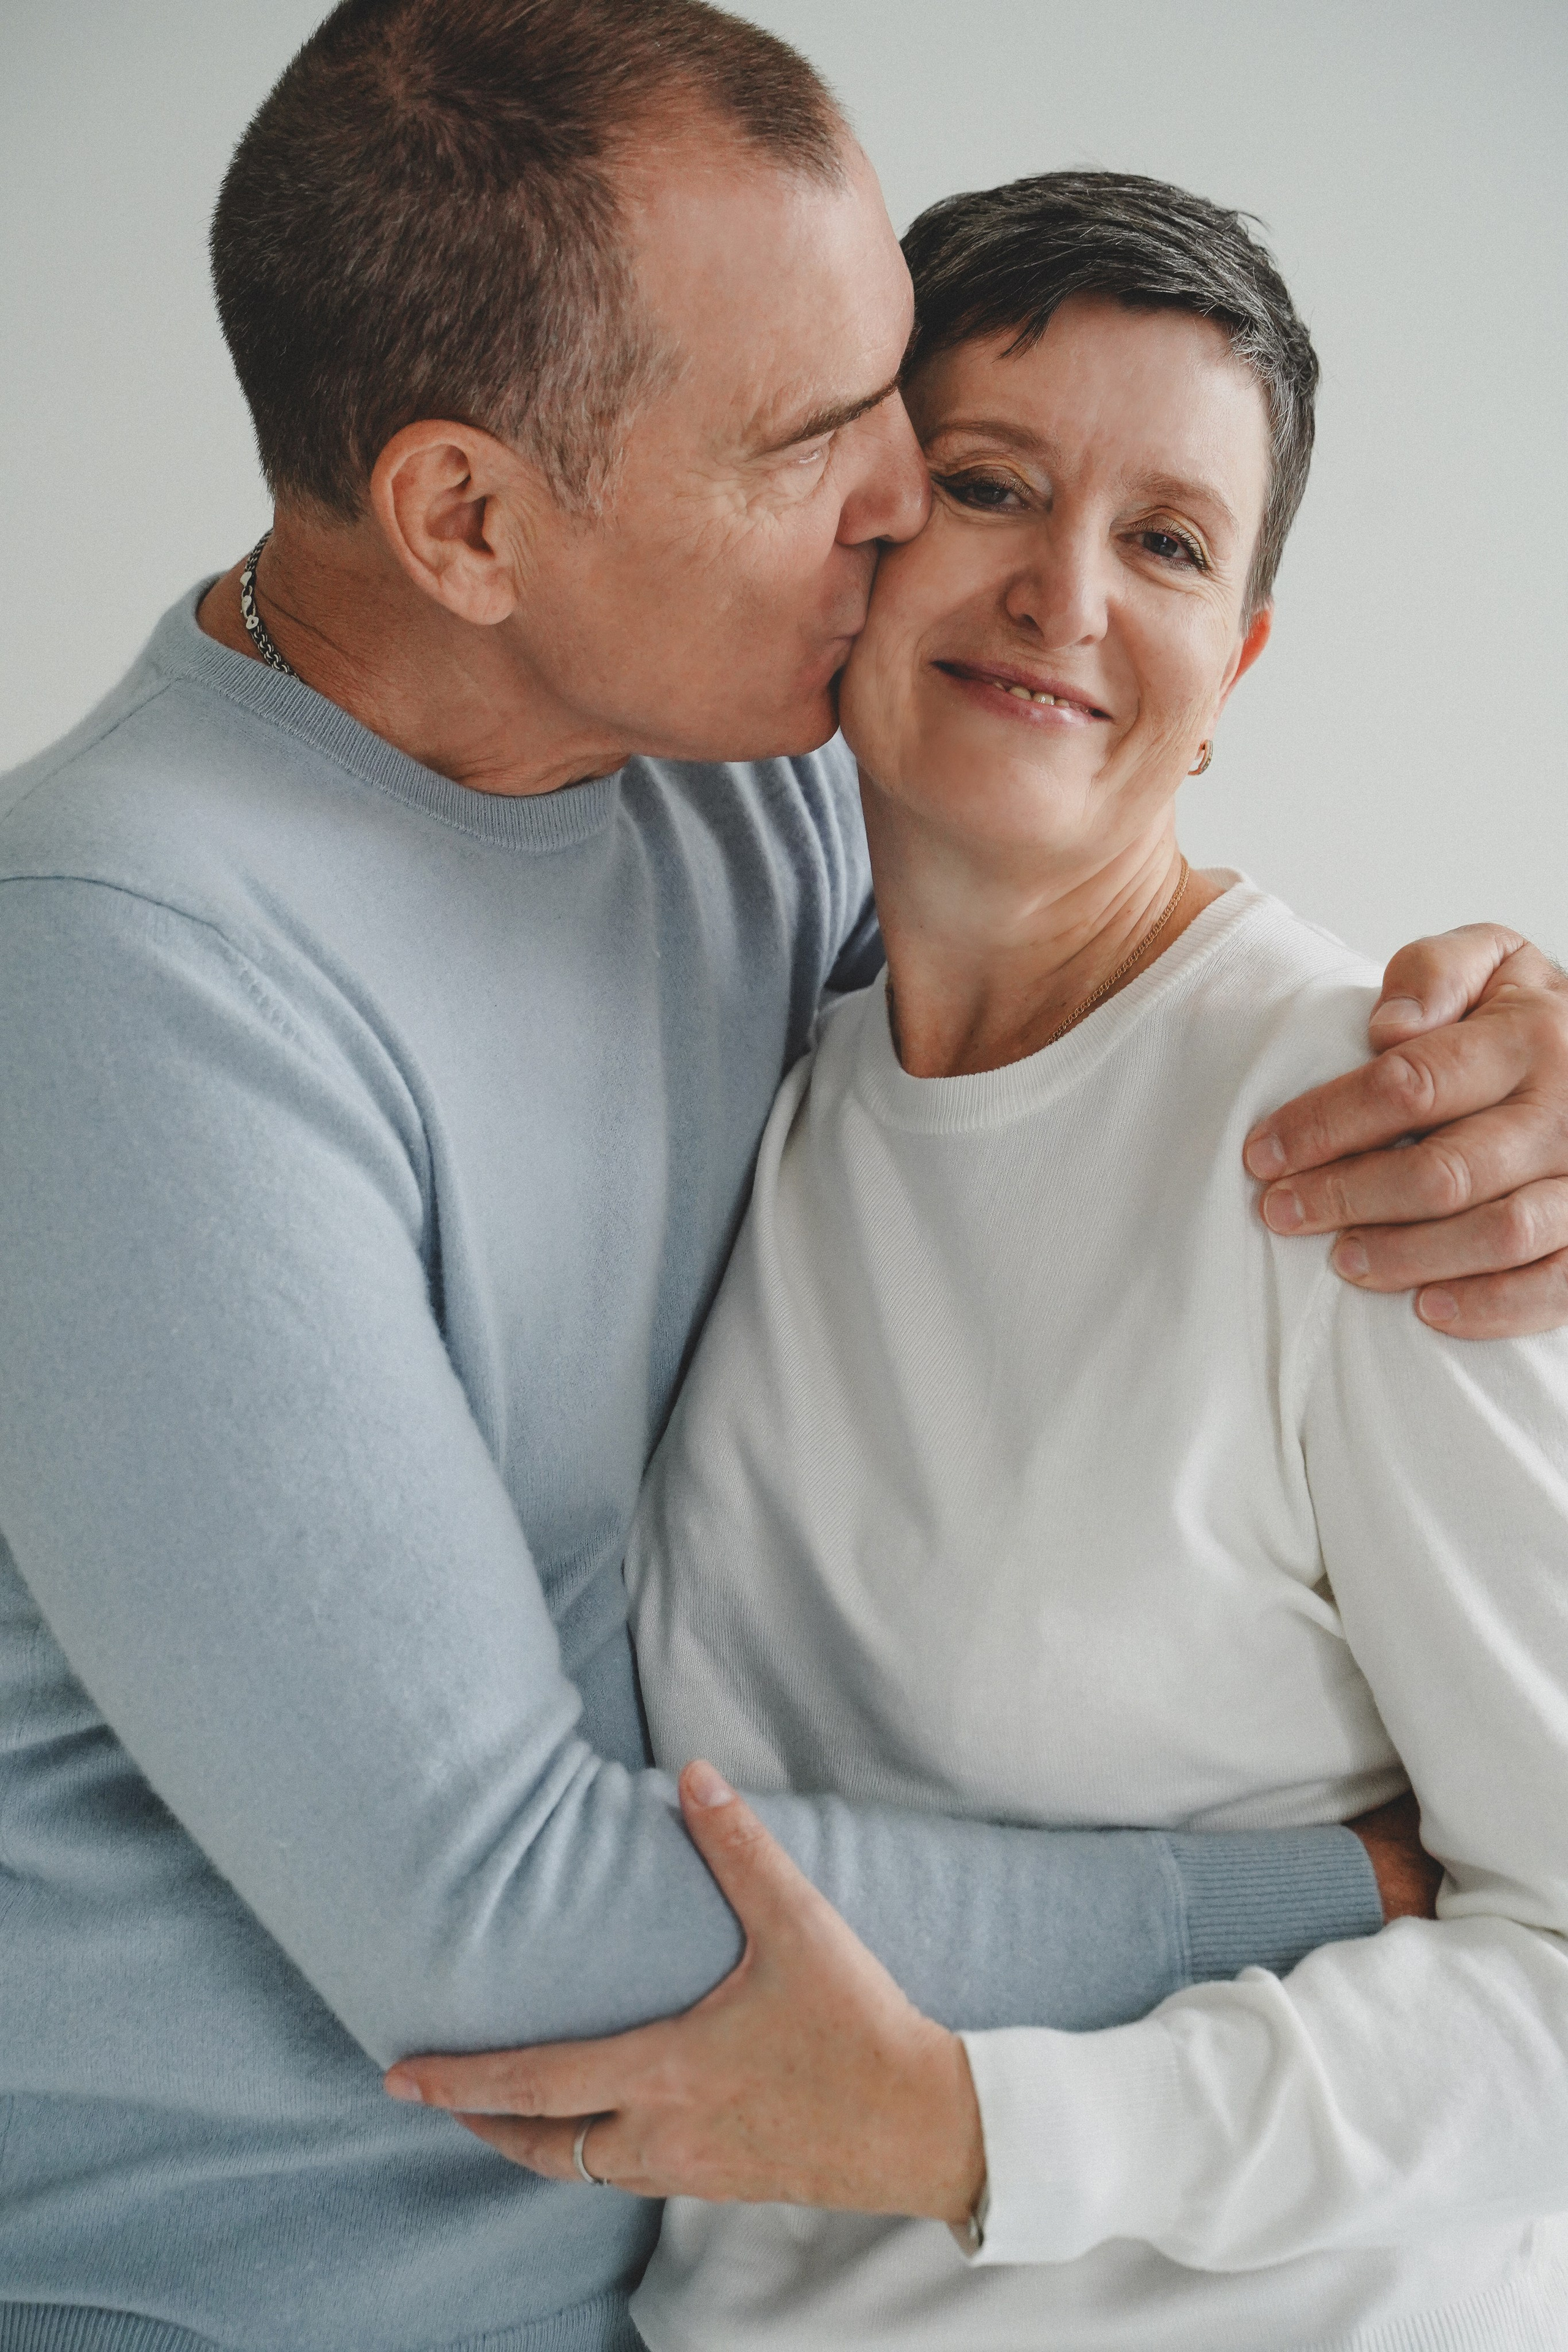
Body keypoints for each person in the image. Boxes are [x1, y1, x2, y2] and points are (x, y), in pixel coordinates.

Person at [0, 6, 1563, 2348]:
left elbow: (1074, 972)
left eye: (888, 396)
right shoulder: (123, 977)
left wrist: (1510, 1056)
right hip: (259, 2296)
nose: (901, 506)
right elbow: (491, 1913)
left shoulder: (734, 776)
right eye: (828, 432)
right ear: (465, 519)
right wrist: (1338, 1890)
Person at [400, 174, 1568, 2349]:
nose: (1061, 594)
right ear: (855, 529)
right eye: (989, 487)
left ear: (1240, 657)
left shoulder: (1379, 1136)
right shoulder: (746, 1069)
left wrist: (974, 2134)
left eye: (1169, 543)